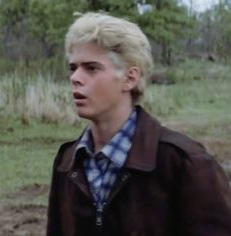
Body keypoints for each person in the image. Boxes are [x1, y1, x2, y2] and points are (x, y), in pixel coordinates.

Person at [46, 12, 231, 236]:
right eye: (73, 68)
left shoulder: (184, 162)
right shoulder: (67, 162)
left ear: (130, 78)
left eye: (91, 68)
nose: (75, 78)